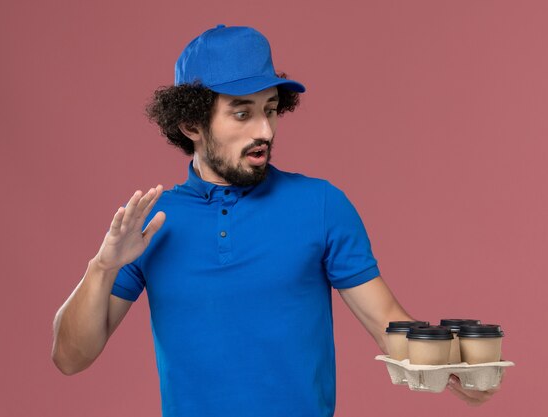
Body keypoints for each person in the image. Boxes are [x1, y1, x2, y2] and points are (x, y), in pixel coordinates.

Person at [52, 24, 501, 416]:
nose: (264, 131)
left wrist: (455, 367)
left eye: (269, 110)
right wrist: (103, 266)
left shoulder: (321, 205)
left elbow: (388, 324)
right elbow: (70, 357)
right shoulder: (149, 226)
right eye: (242, 113)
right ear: (190, 122)